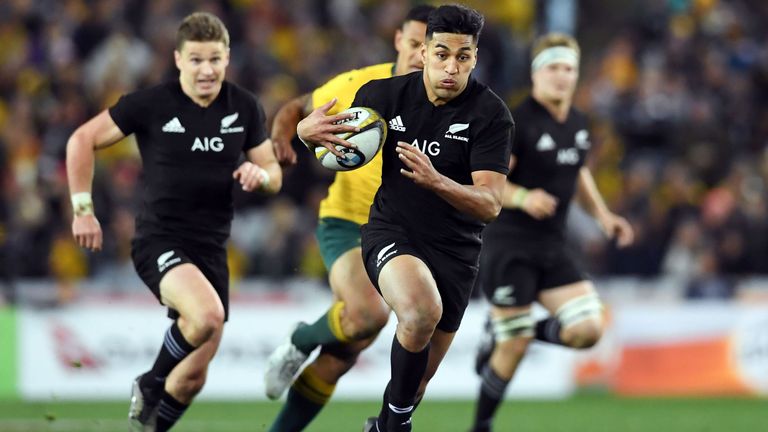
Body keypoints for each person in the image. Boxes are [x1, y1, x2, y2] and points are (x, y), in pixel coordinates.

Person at [299, 5, 514, 431]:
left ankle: (382, 425)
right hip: (391, 231)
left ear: (474, 57)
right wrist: (308, 137)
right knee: (419, 311)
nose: (451, 67)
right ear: (425, 53)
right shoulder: (382, 95)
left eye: (463, 57)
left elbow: (490, 204)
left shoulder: (491, 116)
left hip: (456, 252)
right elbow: (336, 149)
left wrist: (438, 182)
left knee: (416, 384)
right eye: (441, 54)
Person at [66, 12, 282, 432]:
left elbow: (273, 172)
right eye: (197, 60)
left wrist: (263, 176)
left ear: (227, 58)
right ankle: (149, 382)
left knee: (191, 379)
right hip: (159, 239)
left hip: (213, 249)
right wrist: (82, 209)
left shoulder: (244, 106)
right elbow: (82, 139)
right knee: (205, 318)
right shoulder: (151, 104)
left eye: (215, 59)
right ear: (178, 59)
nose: (207, 70)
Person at [264, 5, 434, 431]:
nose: (418, 55)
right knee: (367, 315)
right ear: (398, 40)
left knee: (343, 356)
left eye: (428, 49)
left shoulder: (452, 106)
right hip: (350, 226)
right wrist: (284, 137)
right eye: (413, 44)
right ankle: (301, 338)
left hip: (410, 237)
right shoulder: (360, 84)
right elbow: (297, 107)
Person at [468, 33, 634, 432]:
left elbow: (577, 171)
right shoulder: (516, 122)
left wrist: (603, 215)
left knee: (588, 330)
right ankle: (481, 427)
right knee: (514, 347)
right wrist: (523, 196)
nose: (561, 76)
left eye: (569, 69)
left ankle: (505, 327)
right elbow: (486, 183)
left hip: (552, 246)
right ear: (536, 73)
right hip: (509, 246)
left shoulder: (577, 122)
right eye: (554, 67)